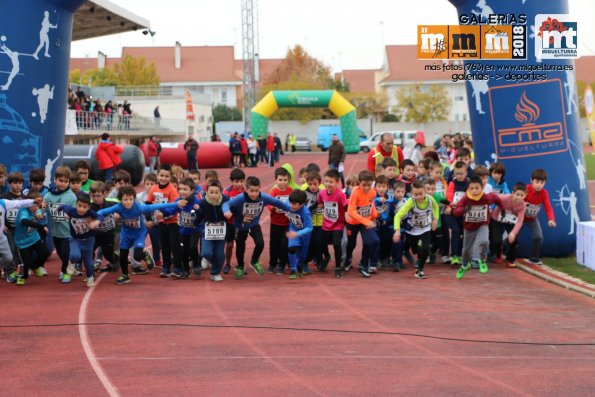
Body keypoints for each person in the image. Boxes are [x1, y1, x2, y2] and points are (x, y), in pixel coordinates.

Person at [97, 186, 183, 285]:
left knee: (137, 256)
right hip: (126, 234)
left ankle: (145, 254)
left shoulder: (139, 207)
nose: (128, 202)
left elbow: (157, 206)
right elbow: (103, 211)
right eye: (125, 199)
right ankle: (125, 275)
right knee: (123, 255)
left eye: (130, 199)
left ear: (134, 199)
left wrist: (177, 204)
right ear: (120, 200)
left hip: (139, 234)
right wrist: (97, 218)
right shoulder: (119, 207)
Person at [222, 176, 287, 279]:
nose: (254, 194)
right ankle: (240, 266)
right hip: (240, 226)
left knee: (260, 243)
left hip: (254, 225)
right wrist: (226, 211)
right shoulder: (240, 198)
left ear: (259, 189)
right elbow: (226, 204)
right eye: (251, 191)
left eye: (256, 191)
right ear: (246, 189)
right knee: (240, 247)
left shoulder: (263, 197)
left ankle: (254, 260)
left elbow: (277, 202)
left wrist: (290, 209)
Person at [453, 176, 504, 279]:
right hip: (469, 227)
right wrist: (464, 209)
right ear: (468, 189)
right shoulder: (465, 198)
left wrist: (502, 208)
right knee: (466, 250)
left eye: (477, 188)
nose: (474, 191)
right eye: (472, 188)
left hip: (482, 224)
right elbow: (456, 212)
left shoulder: (486, 198)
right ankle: (464, 265)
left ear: (482, 188)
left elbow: (496, 198)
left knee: (484, 241)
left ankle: (481, 259)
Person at [393, 180, 440, 279]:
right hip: (412, 230)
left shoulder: (430, 199)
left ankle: (420, 270)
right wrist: (397, 231)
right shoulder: (411, 202)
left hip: (425, 228)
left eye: (420, 194)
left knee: (426, 249)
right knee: (415, 250)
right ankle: (412, 251)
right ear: (411, 193)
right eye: (415, 194)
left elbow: (436, 207)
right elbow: (397, 216)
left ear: (425, 192)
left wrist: (435, 219)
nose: (418, 196)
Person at [161, 177, 202, 279]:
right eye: (180, 189)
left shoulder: (197, 201)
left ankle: (196, 264)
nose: (182, 192)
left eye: (185, 189)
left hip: (195, 229)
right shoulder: (178, 201)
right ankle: (186, 270)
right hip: (183, 230)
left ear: (192, 191)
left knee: (193, 247)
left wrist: (199, 210)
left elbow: (203, 214)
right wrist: (161, 209)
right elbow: (171, 211)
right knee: (183, 250)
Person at [59, 194, 103, 287]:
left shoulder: (90, 213)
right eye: (79, 206)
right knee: (75, 255)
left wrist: (95, 222)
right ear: (76, 204)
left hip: (89, 240)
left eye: (84, 207)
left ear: (89, 207)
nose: (81, 209)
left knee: (89, 263)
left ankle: (90, 278)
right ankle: (71, 264)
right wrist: (62, 212)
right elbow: (63, 206)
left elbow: (100, 217)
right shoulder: (71, 211)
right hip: (75, 239)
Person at [44, 166, 78, 283]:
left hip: (68, 232)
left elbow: (76, 212)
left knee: (65, 253)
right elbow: (42, 208)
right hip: (56, 232)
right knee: (60, 253)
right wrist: (39, 212)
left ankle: (65, 272)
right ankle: (68, 266)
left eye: (66, 181)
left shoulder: (71, 196)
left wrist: (72, 215)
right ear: (55, 180)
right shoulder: (49, 196)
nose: (63, 184)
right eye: (60, 181)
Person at [147, 164, 182, 278]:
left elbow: (175, 207)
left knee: (174, 244)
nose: (163, 178)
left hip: (173, 222)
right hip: (161, 222)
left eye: (166, 176)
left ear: (170, 177)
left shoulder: (172, 190)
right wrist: (148, 219)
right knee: (164, 245)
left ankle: (177, 267)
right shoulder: (153, 189)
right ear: (157, 176)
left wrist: (164, 213)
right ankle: (166, 267)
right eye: (161, 175)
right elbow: (147, 205)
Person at [345, 170, 379, 278]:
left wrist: (374, 216)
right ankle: (348, 258)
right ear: (359, 183)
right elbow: (351, 211)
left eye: (369, 185)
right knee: (351, 244)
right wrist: (366, 221)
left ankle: (363, 264)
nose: (366, 188)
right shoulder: (355, 192)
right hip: (353, 222)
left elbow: (371, 204)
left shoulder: (373, 192)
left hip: (365, 221)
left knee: (372, 241)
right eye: (364, 185)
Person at [196, 181, 230, 281]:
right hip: (207, 231)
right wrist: (194, 222)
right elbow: (199, 216)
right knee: (207, 252)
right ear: (206, 191)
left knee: (219, 254)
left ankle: (215, 273)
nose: (214, 195)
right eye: (211, 192)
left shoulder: (226, 201)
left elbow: (234, 211)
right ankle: (206, 258)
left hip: (221, 232)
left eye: (216, 192)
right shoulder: (203, 203)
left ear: (221, 192)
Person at [14, 193, 50, 286]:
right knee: (26, 262)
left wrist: (40, 211)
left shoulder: (36, 209)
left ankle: (35, 267)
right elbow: (24, 221)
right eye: (34, 204)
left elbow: (40, 209)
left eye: (38, 204)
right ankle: (22, 276)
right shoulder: (23, 211)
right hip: (22, 242)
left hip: (34, 238)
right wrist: (40, 226)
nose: (36, 207)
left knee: (45, 252)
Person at [522, 169, 557, 265]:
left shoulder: (544, 193)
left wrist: (551, 219)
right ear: (531, 181)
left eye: (542, 182)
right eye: (537, 182)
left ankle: (533, 258)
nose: (539, 185)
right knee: (512, 236)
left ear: (545, 183)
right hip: (520, 218)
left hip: (532, 219)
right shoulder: (526, 189)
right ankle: (504, 251)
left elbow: (548, 207)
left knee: (538, 237)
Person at [318, 169, 348, 278]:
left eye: (331, 182)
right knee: (321, 243)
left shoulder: (340, 195)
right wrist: (320, 205)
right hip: (326, 224)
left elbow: (346, 206)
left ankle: (338, 267)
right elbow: (320, 201)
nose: (328, 184)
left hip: (338, 225)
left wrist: (347, 214)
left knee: (336, 244)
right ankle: (326, 257)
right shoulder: (321, 192)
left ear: (337, 182)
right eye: (326, 181)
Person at [490, 183, 527, 268]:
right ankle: (498, 255)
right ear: (513, 193)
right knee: (496, 240)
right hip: (497, 219)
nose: (519, 197)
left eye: (522, 195)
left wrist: (513, 233)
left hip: (511, 221)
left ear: (525, 195)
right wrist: (491, 209)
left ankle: (511, 260)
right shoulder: (504, 198)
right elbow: (493, 199)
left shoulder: (523, 205)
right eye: (517, 194)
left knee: (514, 240)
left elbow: (520, 221)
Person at [283, 190, 313, 280]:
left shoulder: (305, 213)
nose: (291, 205)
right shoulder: (288, 204)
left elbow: (309, 228)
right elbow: (280, 204)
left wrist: (298, 233)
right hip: (293, 230)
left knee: (302, 255)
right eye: (291, 203)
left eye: (294, 204)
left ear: (302, 204)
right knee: (291, 248)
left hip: (304, 235)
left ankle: (299, 265)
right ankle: (293, 269)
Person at [268, 167, 292, 274]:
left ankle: (281, 265)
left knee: (284, 244)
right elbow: (269, 203)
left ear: (288, 180)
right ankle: (272, 263)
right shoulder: (274, 191)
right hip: (275, 223)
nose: (282, 182)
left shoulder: (290, 191)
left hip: (287, 223)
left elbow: (294, 202)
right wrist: (272, 207)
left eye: (285, 180)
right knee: (274, 244)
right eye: (280, 180)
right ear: (276, 180)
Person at [222, 168, 246, 274]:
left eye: (241, 181)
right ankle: (227, 263)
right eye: (236, 181)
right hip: (229, 222)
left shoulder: (246, 192)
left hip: (241, 223)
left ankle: (240, 264)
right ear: (231, 181)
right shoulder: (226, 192)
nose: (239, 184)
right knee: (229, 244)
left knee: (240, 244)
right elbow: (223, 205)